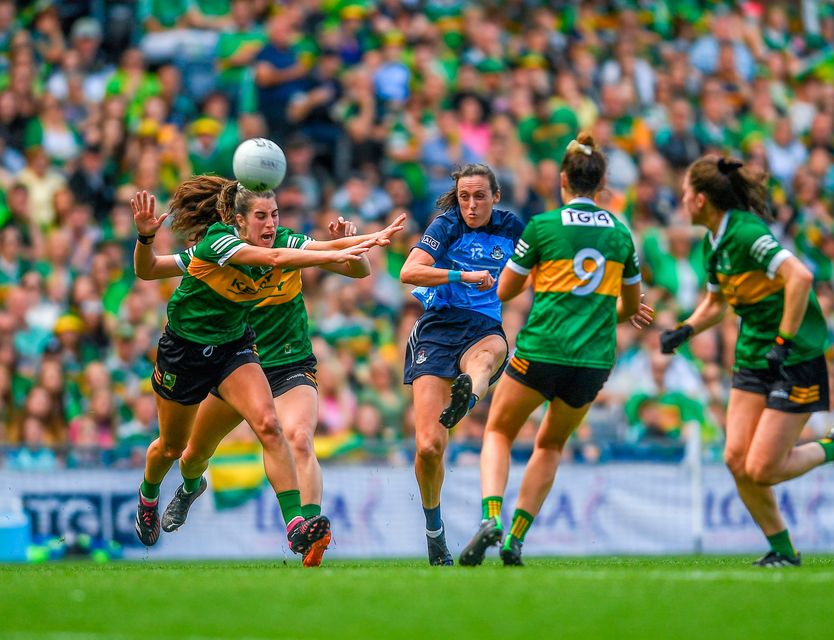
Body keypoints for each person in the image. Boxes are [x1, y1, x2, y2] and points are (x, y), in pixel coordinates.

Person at [134, 192, 404, 567]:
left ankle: (300, 526)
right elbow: (148, 270)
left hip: (252, 356)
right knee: (180, 450)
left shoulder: (285, 241)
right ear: (239, 220)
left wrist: (362, 242)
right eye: (261, 216)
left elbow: (334, 255)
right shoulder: (218, 244)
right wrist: (145, 238)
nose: (271, 224)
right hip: (186, 354)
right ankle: (168, 491)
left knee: (281, 431)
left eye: (274, 214)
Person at [659, 155, 834, 567]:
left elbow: (800, 278)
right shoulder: (712, 242)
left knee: (762, 469)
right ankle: (783, 550)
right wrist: (686, 329)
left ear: (701, 199)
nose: (681, 199)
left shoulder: (746, 233)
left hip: (794, 357)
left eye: (685, 192)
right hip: (753, 357)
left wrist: (783, 341)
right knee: (736, 460)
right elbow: (717, 303)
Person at [458, 135, 654, 567]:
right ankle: (515, 540)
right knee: (549, 445)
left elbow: (507, 290)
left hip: (543, 349)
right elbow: (631, 308)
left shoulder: (543, 227)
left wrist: (536, 274)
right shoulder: (621, 233)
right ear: (601, 182)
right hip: (593, 361)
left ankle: (492, 515)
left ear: (562, 179)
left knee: (498, 432)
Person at [399, 163, 524, 565]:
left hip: (484, 326)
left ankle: (466, 397)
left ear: (496, 197)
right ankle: (435, 534)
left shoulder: (511, 227)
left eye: (480, 196)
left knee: (487, 358)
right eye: (465, 197)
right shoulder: (446, 224)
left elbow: (546, 266)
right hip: (437, 329)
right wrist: (463, 275)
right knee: (430, 446)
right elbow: (409, 271)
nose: (471, 205)